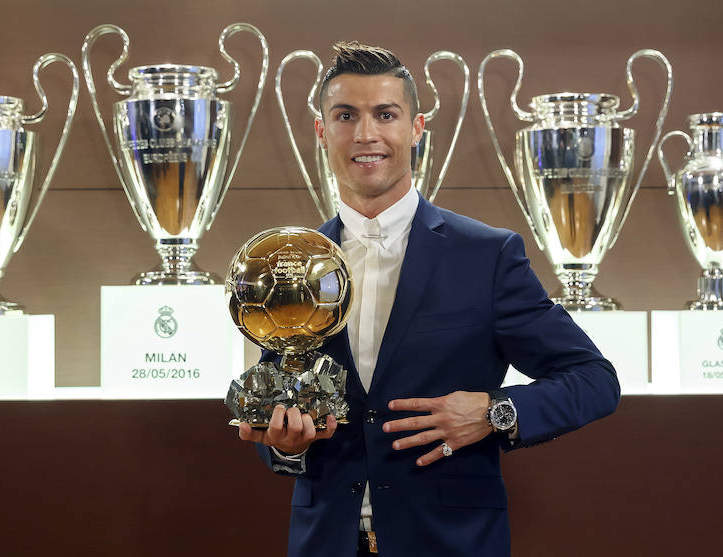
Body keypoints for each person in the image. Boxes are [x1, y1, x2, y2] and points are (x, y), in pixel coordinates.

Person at [237, 41, 620, 557]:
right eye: (346, 115)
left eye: (386, 114)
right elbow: (283, 412)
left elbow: (595, 379)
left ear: (416, 130)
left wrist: (495, 411)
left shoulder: (486, 255)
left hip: (452, 544)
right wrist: (288, 445)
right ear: (322, 131)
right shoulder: (292, 263)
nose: (365, 134)